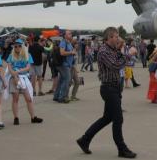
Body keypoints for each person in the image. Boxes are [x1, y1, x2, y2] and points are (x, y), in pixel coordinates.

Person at [76, 27, 137, 158]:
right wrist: (129, 55)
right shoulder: (103, 51)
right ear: (109, 37)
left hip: (114, 87)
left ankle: (84, 140)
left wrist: (124, 52)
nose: (118, 38)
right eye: (116, 36)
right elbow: (115, 65)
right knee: (118, 119)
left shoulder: (113, 49)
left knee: (107, 118)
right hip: (108, 88)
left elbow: (125, 61)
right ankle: (122, 148)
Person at [7, 39, 43, 125]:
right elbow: (9, 68)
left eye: (19, 45)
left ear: (22, 46)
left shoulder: (28, 55)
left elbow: (28, 67)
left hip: (23, 78)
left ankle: (33, 117)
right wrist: (15, 76)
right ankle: (16, 118)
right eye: (15, 46)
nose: (17, 47)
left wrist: (18, 72)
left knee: (28, 99)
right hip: (14, 78)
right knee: (15, 99)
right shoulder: (11, 56)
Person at [54, 30, 76, 103]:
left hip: (67, 65)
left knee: (61, 81)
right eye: (69, 34)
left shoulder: (68, 43)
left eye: (71, 33)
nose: (71, 34)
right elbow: (62, 53)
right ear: (65, 36)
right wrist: (71, 52)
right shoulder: (63, 42)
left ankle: (56, 96)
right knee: (67, 80)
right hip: (64, 65)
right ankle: (62, 97)